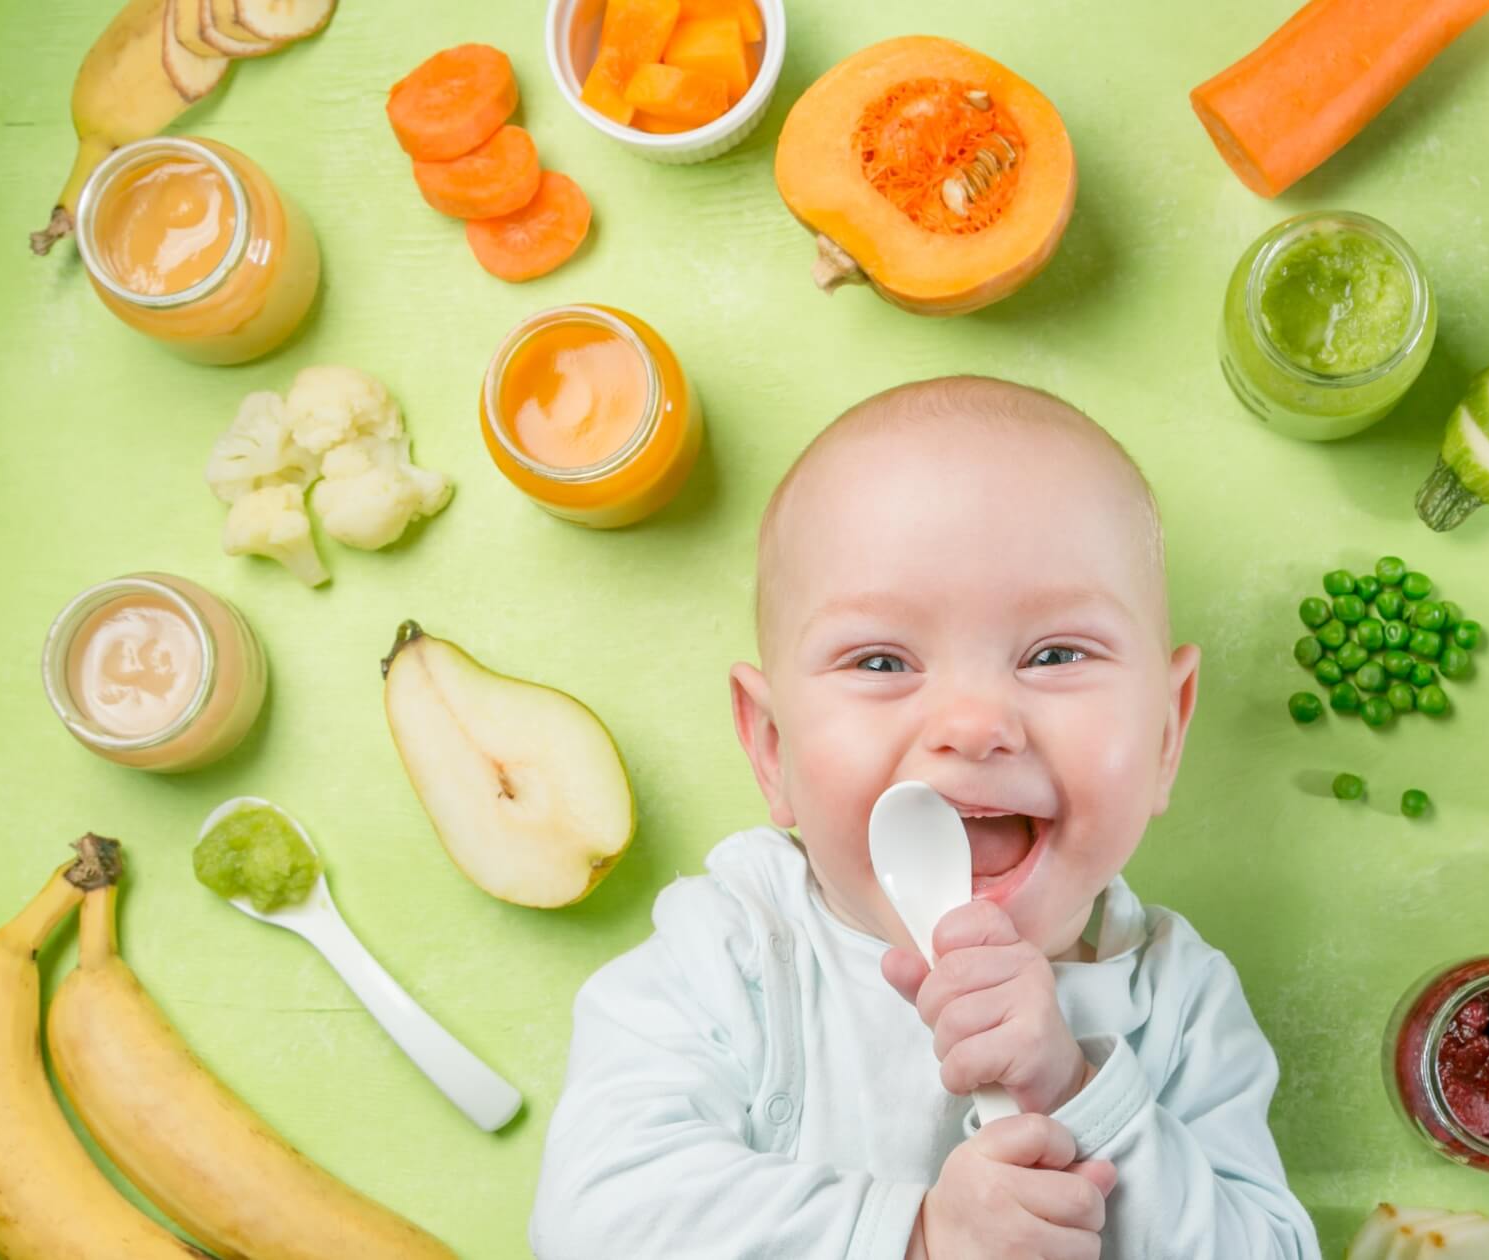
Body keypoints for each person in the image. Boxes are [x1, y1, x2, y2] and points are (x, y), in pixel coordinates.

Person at [532, 376, 1318, 1259]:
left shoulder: (1176, 1001)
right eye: (881, 661)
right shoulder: (730, 952)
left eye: (1055, 653)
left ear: (1167, 733)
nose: (975, 724)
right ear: (771, 748)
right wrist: (915, 1238)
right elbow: (591, 1219)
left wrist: (1075, 1090)